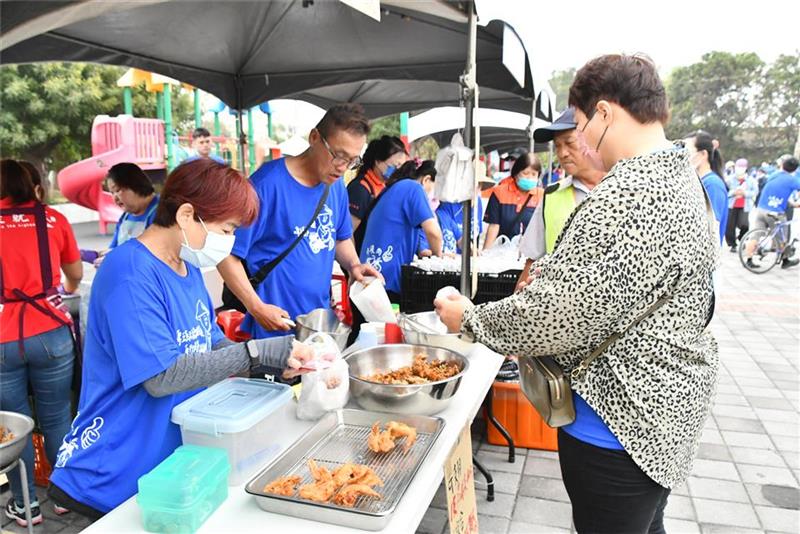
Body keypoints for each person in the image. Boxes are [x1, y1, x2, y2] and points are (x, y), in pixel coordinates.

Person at [436, 54, 718, 534]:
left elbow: (557, 315)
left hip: (621, 423)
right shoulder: (681, 177)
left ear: (606, 113)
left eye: (583, 123)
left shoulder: (629, 194)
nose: (582, 140)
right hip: (667, 410)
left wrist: (469, 317)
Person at [47, 159, 314, 520]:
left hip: (168, 466)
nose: (231, 242)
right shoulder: (130, 272)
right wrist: (256, 351)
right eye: (227, 229)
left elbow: (210, 344)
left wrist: (269, 364)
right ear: (187, 215)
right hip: (115, 469)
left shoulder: (186, 267)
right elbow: (161, 378)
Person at [217, 103, 381, 339]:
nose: (343, 167)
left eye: (352, 161)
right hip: (274, 327)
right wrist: (256, 307)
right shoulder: (266, 186)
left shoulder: (335, 187)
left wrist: (354, 265)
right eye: (338, 156)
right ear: (314, 137)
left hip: (318, 324)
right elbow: (226, 255)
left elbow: (339, 237)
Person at [1, 159, 83, 527]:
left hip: (2, 337)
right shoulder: (53, 219)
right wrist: (59, 293)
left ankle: (26, 505)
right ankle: (65, 496)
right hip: (50, 331)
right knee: (56, 418)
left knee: (15, 427)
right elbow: (74, 274)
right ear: (32, 184)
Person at [515, 108, 605, 291]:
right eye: (557, 146)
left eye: (570, 143)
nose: (562, 153)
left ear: (593, 139)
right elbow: (532, 261)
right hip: (559, 311)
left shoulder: (625, 189)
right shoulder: (552, 196)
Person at [359, 160, 443, 299]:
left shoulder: (395, 188)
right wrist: (438, 260)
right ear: (427, 179)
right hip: (386, 281)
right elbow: (434, 233)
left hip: (370, 278)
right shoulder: (414, 188)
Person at [745, 156, 800, 269]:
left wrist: (793, 204)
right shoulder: (793, 180)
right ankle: (785, 260)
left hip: (761, 209)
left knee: (755, 235)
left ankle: (748, 259)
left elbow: (777, 191)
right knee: (782, 237)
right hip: (775, 212)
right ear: (795, 169)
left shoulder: (774, 175)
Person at [482, 151, 544, 250]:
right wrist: (485, 253)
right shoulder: (499, 192)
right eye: (526, 173)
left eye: (534, 174)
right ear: (516, 174)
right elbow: (494, 226)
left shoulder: (541, 196)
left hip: (530, 254)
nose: (530, 178)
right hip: (503, 252)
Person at [347, 135, 408, 231]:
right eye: (394, 166)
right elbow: (347, 233)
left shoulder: (385, 186)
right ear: (378, 161)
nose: (397, 171)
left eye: (401, 168)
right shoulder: (360, 189)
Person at [685, 131, 729, 245]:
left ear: (703, 154)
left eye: (686, 151)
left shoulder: (713, 185)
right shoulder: (697, 181)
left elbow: (711, 225)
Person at [725, 158, 757, 252]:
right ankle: (732, 244)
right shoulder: (729, 179)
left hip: (744, 205)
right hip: (731, 205)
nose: (740, 169)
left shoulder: (751, 180)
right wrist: (734, 192)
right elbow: (725, 191)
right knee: (730, 225)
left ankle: (742, 239)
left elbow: (755, 191)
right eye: (738, 166)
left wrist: (744, 193)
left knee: (744, 224)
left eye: (742, 167)